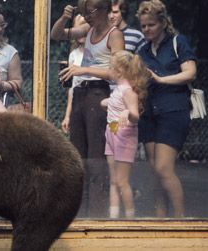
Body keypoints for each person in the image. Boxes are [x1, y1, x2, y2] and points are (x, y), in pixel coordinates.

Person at [51, 0, 125, 218]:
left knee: (96, 157)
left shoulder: (114, 35)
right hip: (81, 94)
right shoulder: (88, 29)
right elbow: (56, 35)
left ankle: (98, 214)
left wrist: (83, 69)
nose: (87, 16)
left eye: (90, 12)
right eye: (84, 12)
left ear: (103, 10)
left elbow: (118, 72)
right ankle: (79, 212)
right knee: (78, 155)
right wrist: (64, 17)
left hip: (99, 94)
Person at [136, 0, 197, 218]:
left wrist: (161, 80)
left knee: (164, 168)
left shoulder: (177, 42)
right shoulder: (142, 49)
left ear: (162, 22)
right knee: (155, 172)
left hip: (173, 111)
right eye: (143, 26)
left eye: (151, 25)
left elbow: (190, 73)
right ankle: (160, 218)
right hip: (149, 114)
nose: (146, 30)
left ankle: (180, 221)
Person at [100, 50, 150, 218]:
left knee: (122, 181)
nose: (109, 70)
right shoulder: (118, 90)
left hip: (124, 135)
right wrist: (107, 102)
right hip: (112, 132)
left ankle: (130, 217)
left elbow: (135, 115)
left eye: (110, 67)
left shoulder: (128, 91)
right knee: (114, 180)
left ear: (119, 71)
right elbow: (115, 104)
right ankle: (113, 216)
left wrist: (127, 113)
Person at [61, 14, 86, 133]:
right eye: (77, 29)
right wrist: (67, 116)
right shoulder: (73, 55)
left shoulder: (98, 52)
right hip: (77, 103)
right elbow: (71, 89)